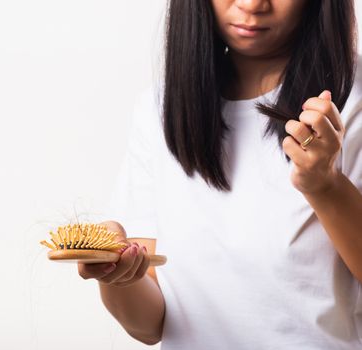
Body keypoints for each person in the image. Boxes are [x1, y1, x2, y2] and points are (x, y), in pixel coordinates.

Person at [78, 0, 362, 349]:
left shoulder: (353, 103)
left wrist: (325, 186)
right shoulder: (160, 110)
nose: (252, 4)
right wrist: (116, 274)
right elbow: (151, 325)